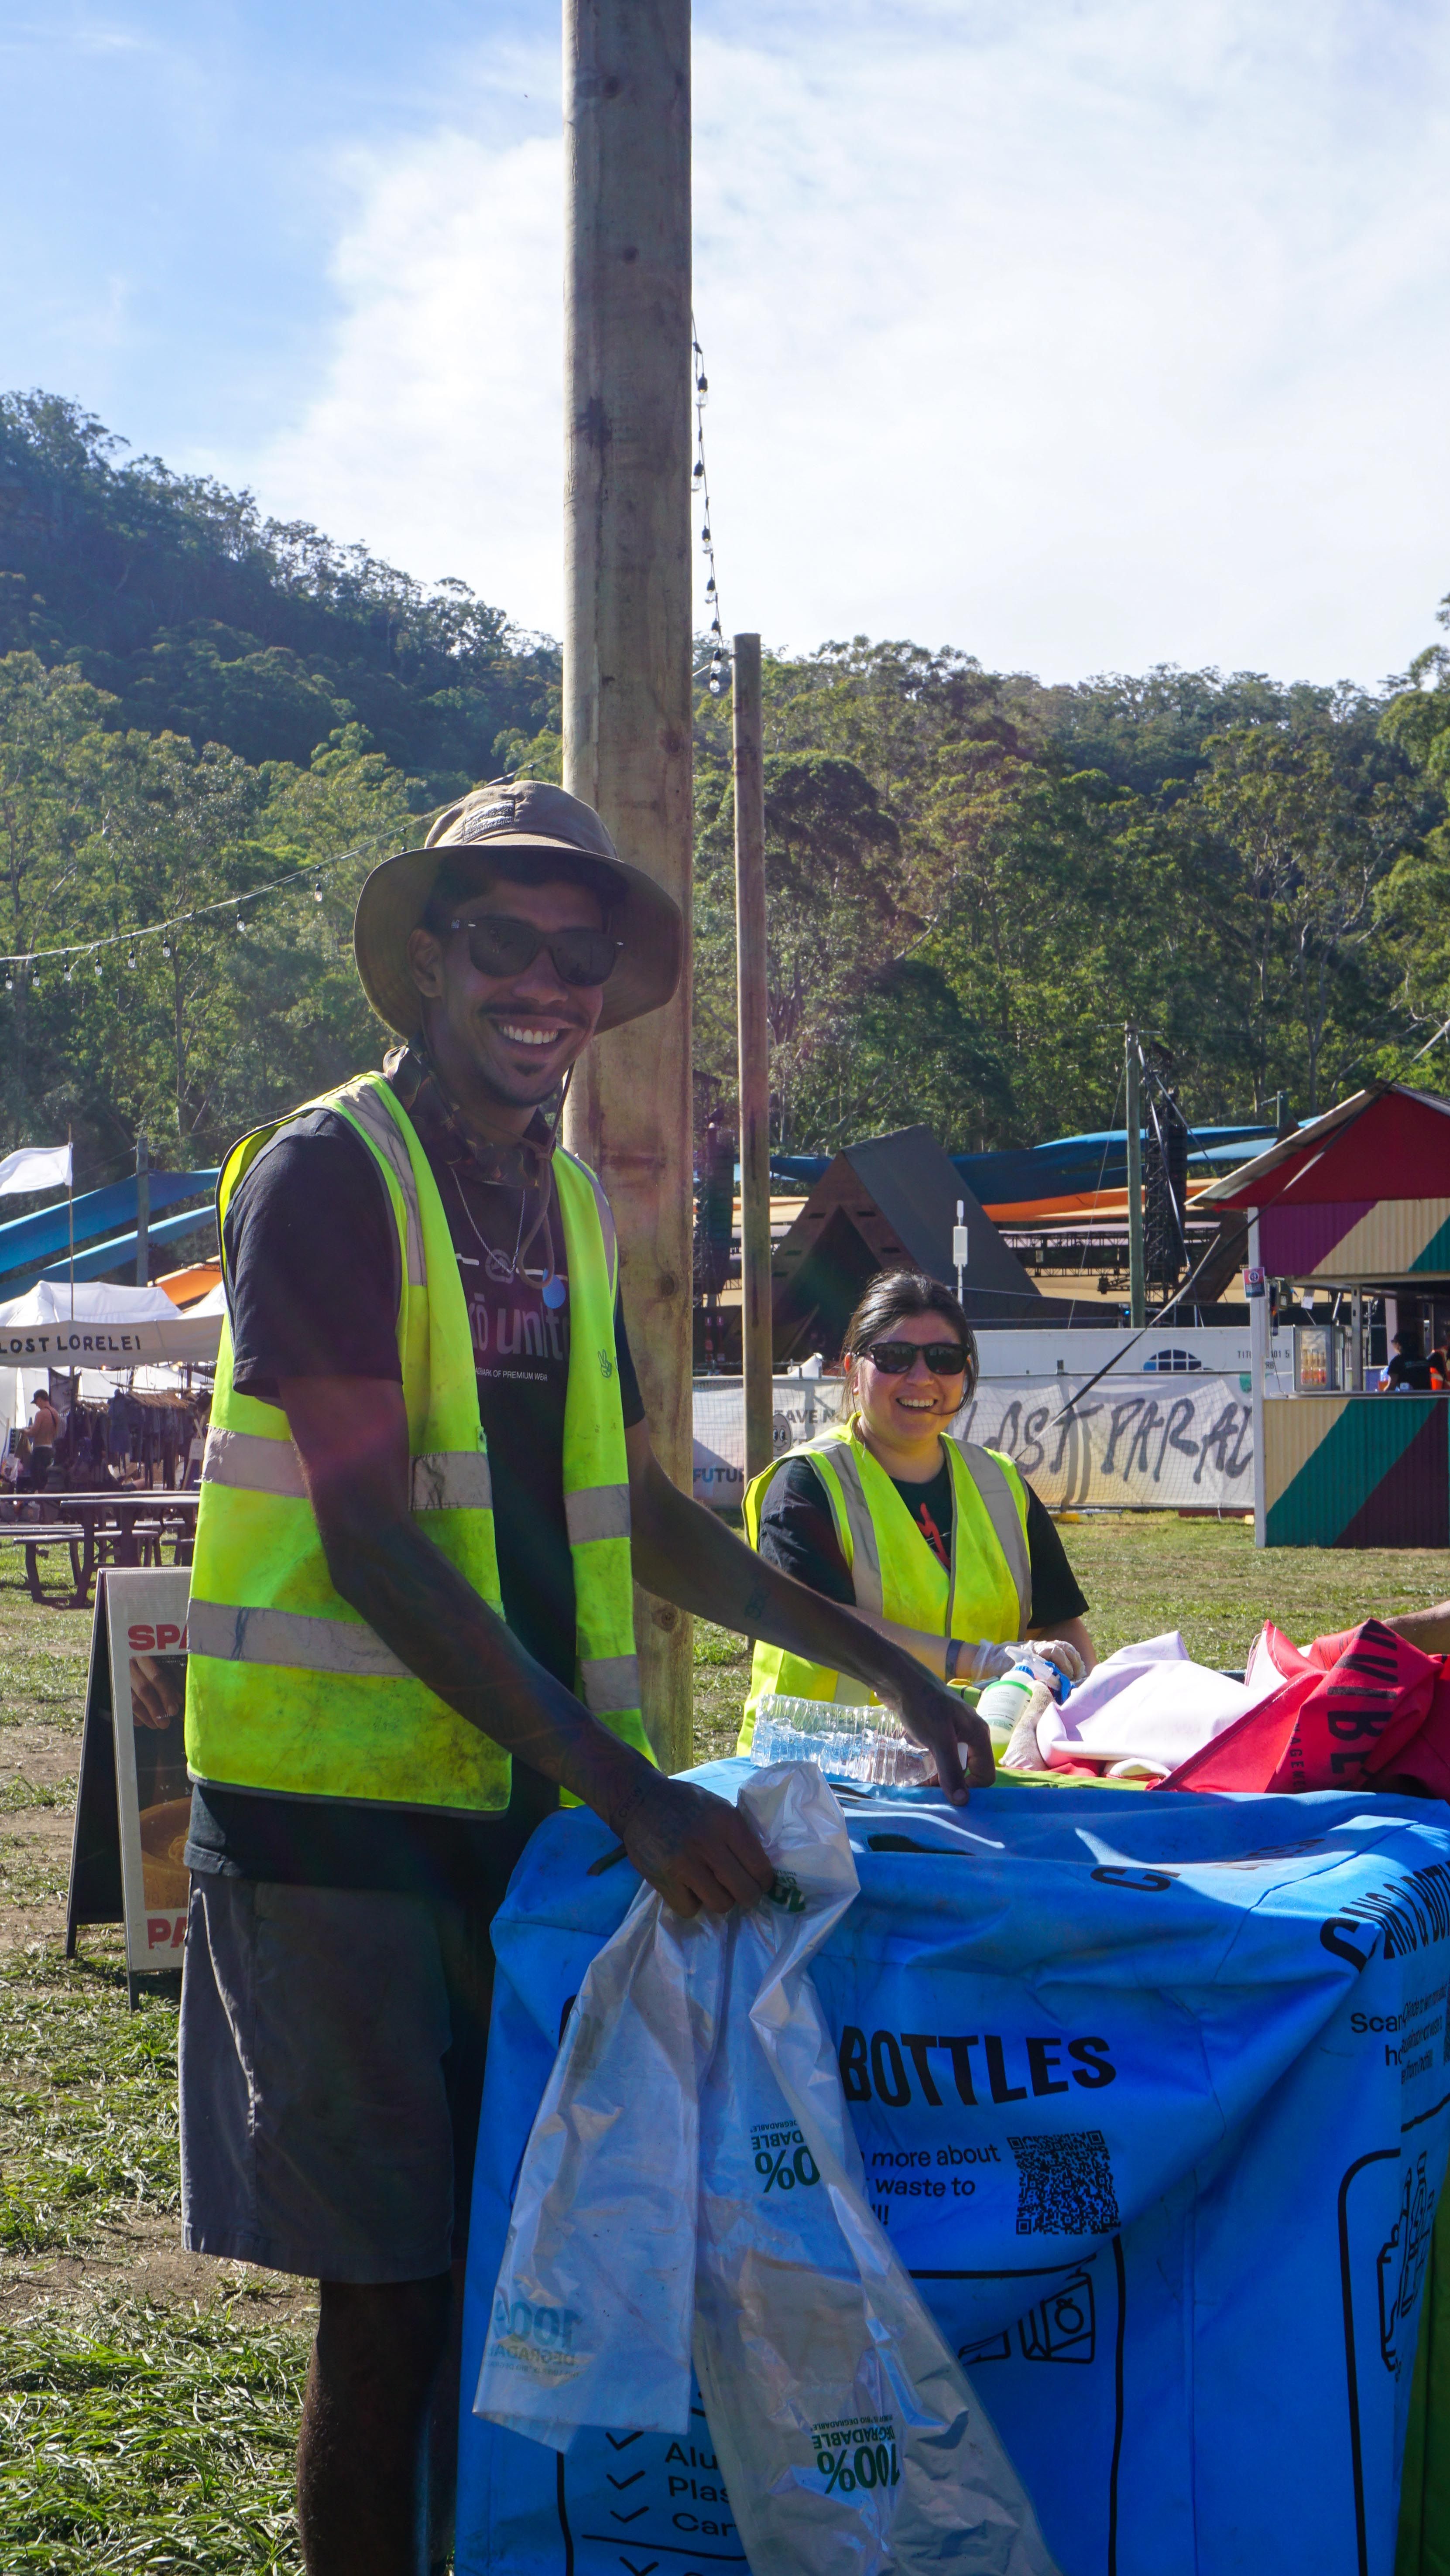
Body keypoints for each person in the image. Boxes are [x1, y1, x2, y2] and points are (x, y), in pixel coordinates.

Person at [175, 778, 987, 2576]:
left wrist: (893, 1668)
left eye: (577, 954)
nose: (542, 984)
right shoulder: (327, 1176)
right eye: (502, 946)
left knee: (502, 2256)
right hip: (340, 1827)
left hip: (523, 1814)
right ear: (425, 966)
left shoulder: (558, 1200)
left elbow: (630, 1504)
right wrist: (627, 1788)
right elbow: (373, 1535)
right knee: (384, 2299)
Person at [738, 1269, 1096, 1740]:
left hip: (982, 1764)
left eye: (943, 1358)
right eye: (893, 1356)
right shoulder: (807, 1484)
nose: (921, 1376)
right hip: (828, 1779)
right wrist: (975, 1659)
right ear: (851, 1370)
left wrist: (1068, 1680)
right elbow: (822, 1623)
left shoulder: (1001, 1483)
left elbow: (1061, 1623)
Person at [1380, 1327, 1434, 1393]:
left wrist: (1381, 1395)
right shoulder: (1423, 1359)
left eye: (1393, 1342)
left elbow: (1391, 1387)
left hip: (1409, 1401)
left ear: (1398, 1345)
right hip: (1427, 1399)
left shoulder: (1397, 1362)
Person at [25, 1388, 58, 1492]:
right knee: (47, 1480)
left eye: (36, 1403)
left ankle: (41, 1506)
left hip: (40, 1451)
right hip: (50, 1449)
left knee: (39, 1481)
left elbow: (33, 1433)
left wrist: (25, 1431)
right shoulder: (55, 1414)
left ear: (40, 1400)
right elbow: (54, 1433)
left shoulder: (41, 1414)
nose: (37, 1405)